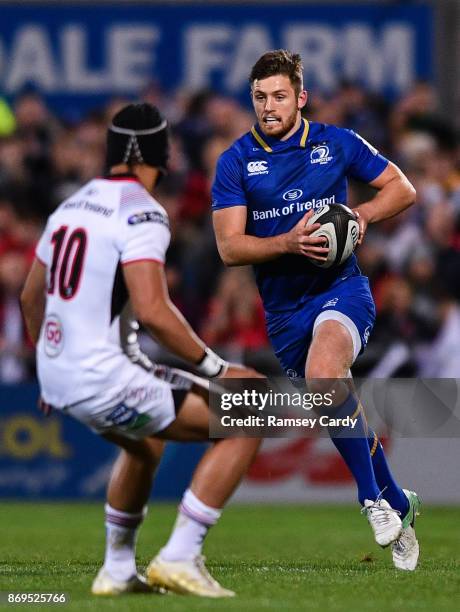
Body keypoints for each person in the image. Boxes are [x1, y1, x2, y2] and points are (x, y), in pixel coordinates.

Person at [20, 103, 261, 598]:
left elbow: (30, 295)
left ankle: (116, 569)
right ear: (160, 154)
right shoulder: (143, 210)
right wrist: (216, 368)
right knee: (251, 409)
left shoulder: (70, 205)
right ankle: (179, 556)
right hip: (102, 376)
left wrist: (48, 363)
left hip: (61, 375)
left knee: (145, 445)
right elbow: (153, 310)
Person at [212, 50, 420, 570]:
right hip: (284, 313)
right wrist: (287, 243)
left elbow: (404, 188)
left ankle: (370, 502)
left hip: (341, 292)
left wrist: (363, 214)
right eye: (260, 97)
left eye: (279, 95)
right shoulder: (235, 161)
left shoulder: (337, 143)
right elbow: (229, 247)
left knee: (325, 375)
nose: (268, 106)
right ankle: (398, 504)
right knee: (337, 401)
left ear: (300, 97)